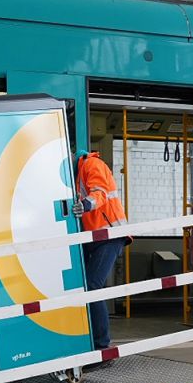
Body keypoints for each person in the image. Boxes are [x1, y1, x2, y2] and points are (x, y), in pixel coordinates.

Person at [73, 149, 128, 367]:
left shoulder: (91, 164)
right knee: (84, 287)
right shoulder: (77, 173)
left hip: (110, 234)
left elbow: (100, 193)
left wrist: (85, 204)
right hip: (94, 237)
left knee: (93, 286)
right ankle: (90, 344)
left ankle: (102, 349)